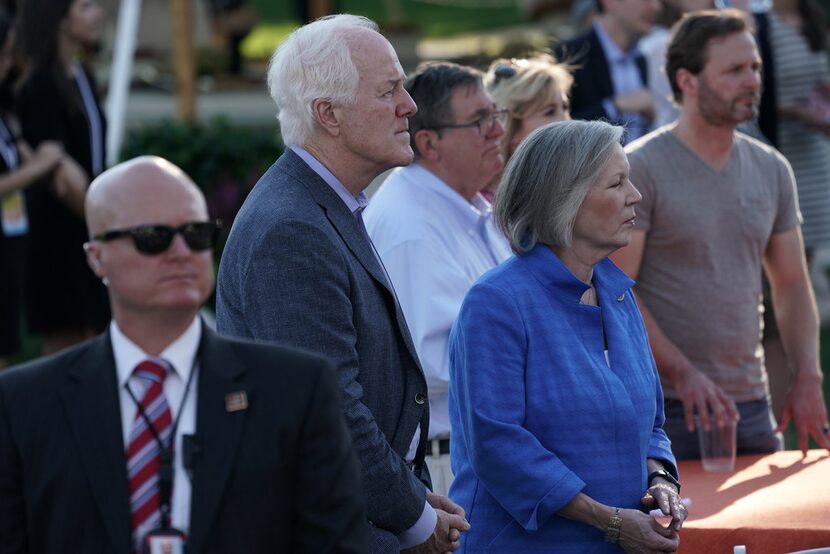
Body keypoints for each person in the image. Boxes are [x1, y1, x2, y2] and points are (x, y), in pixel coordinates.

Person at [0, 156, 367, 553]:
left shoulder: (296, 390)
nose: (181, 251)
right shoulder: (23, 404)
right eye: (153, 237)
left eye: (196, 233)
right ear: (96, 257)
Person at [215, 15, 469, 553]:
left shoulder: (322, 205)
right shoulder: (291, 228)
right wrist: (416, 515)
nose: (410, 105)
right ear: (327, 114)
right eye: (389, 90)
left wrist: (414, 505)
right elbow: (331, 409)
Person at [448, 120, 686, 552]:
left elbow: (650, 422)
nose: (635, 195)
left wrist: (661, 479)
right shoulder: (496, 303)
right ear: (565, 200)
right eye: (617, 183)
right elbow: (498, 446)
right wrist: (611, 522)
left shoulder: (616, 293)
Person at [612, 9, 830, 457]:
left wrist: (807, 377)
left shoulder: (771, 167)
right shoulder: (640, 168)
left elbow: (791, 283)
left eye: (755, 68)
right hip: (665, 408)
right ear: (687, 81)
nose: (752, 81)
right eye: (734, 70)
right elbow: (618, 290)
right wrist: (682, 373)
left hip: (751, 404)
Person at [363, 61, 512, 496]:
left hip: (474, 456)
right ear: (429, 142)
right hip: (449, 468)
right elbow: (434, 361)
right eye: (480, 121)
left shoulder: (466, 209)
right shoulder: (410, 228)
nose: (497, 131)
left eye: (495, 115)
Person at [16, 0, 110, 354]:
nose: (97, 13)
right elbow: (60, 175)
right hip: (59, 230)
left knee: (96, 337)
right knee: (66, 344)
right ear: (58, 18)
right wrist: (105, 220)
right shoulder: (39, 82)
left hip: (89, 220)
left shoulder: (81, 74)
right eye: (86, 6)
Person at [0, 9, 64, 368]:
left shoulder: (6, 109)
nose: (9, 65)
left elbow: (24, 152)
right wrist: (41, 166)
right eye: (4, 55)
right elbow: (35, 164)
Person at [553, 0, 661, 142]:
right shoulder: (568, 55)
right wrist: (613, 106)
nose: (656, 7)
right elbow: (554, 131)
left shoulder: (640, 58)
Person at [482, 52, 573, 202]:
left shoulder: (569, 186)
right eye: (549, 112)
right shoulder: (486, 209)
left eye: (564, 107)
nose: (567, 121)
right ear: (510, 127)